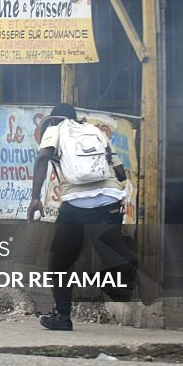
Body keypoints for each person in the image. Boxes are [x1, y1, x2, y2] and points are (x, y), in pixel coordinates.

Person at [27, 102, 138, 331]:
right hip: (109, 201)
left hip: (76, 205)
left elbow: (42, 158)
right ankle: (138, 274)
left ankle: (62, 317)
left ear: (55, 119)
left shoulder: (55, 130)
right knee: (112, 251)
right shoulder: (95, 131)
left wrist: (35, 198)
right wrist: (119, 195)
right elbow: (118, 170)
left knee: (61, 261)